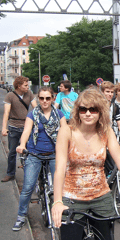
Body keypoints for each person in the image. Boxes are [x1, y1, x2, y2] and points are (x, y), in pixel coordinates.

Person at [51, 88, 120, 240]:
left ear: (101, 112)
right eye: (83, 109)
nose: (88, 113)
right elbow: (59, 169)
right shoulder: (67, 131)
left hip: (101, 197)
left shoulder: (106, 131)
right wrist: (57, 201)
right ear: (77, 111)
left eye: (93, 109)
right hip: (72, 198)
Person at [11, 86, 67, 231]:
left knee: (60, 187)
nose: (44, 101)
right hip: (35, 154)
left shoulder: (59, 114)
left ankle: (61, 212)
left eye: (48, 98)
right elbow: (26, 131)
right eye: (41, 98)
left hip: (55, 154)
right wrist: (22, 144)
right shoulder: (32, 114)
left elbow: (66, 132)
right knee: (28, 187)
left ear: (53, 98)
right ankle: (21, 216)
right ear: (38, 99)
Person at [1, 76, 37, 182]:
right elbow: (6, 113)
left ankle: (29, 174)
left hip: (26, 127)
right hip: (14, 127)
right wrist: (4, 128)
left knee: (29, 152)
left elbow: (35, 108)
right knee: (12, 152)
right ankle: (10, 173)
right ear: (19, 86)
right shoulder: (10, 96)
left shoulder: (29, 93)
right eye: (25, 85)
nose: (28, 87)